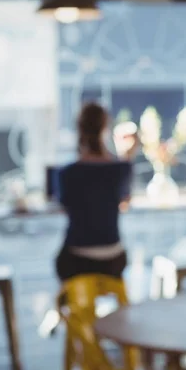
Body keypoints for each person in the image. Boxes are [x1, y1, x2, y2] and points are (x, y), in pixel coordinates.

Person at [55, 102, 138, 282]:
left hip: (77, 259)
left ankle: (76, 308)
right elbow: (124, 203)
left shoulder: (66, 173)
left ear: (79, 129)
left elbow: (64, 207)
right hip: (114, 258)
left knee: (61, 264)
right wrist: (126, 156)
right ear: (105, 127)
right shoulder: (121, 169)